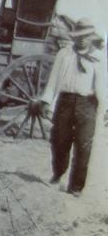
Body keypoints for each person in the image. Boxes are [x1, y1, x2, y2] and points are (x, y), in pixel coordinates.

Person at [40, 18, 106, 196]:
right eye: (79, 36)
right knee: (59, 141)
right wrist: (46, 101)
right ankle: (58, 173)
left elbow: (104, 85)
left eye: (86, 36)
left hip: (88, 104)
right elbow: (53, 79)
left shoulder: (99, 57)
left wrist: (106, 108)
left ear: (91, 37)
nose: (83, 39)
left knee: (84, 145)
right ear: (74, 37)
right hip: (65, 102)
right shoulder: (64, 54)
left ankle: (76, 187)